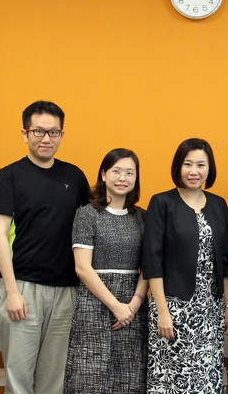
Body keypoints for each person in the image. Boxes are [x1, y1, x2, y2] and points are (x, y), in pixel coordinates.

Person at [0, 101, 90, 394]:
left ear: (62, 134)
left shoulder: (74, 176)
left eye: (54, 132)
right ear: (25, 133)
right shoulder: (9, 176)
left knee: (54, 380)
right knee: (19, 379)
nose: (46, 139)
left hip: (66, 290)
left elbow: (88, 232)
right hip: (22, 288)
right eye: (39, 131)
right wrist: (12, 291)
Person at [142, 138, 228, 392]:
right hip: (173, 308)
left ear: (209, 169)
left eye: (201, 165)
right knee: (172, 380)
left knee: (206, 377)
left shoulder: (218, 205)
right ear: (178, 167)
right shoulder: (162, 203)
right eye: (188, 164)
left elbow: (225, 261)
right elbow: (153, 261)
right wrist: (162, 311)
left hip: (209, 310)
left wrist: (227, 306)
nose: (194, 171)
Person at [64, 148, 148, 393]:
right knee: (89, 375)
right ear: (103, 174)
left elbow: (149, 266)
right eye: (116, 171)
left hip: (134, 306)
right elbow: (82, 267)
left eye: (129, 173)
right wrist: (115, 306)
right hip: (95, 303)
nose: (122, 178)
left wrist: (133, 304)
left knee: (129, 377)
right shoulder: (87, 214)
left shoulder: (142, 217)